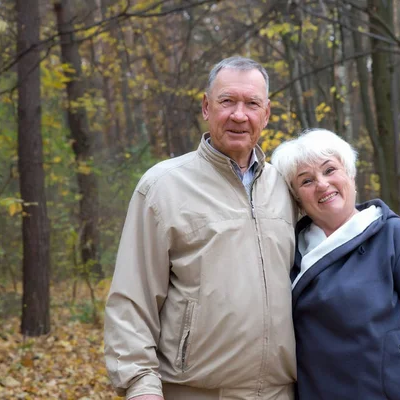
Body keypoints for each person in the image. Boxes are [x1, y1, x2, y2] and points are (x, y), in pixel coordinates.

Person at [104, 56, 298, 400]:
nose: (239, 114)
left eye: (252, 104)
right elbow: (132, 301)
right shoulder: (163, 187)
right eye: (227, 101)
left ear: (266, 115)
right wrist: (140, 386)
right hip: (194, 391)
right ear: (206, 107)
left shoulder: (288, 187)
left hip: (282, 392)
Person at [271, 128, 400, 400]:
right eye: (307, 181)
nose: (322, 184)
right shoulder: (288, 252)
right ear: (297, 198)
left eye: (330, 170)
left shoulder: (394, 236)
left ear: (350, 175)